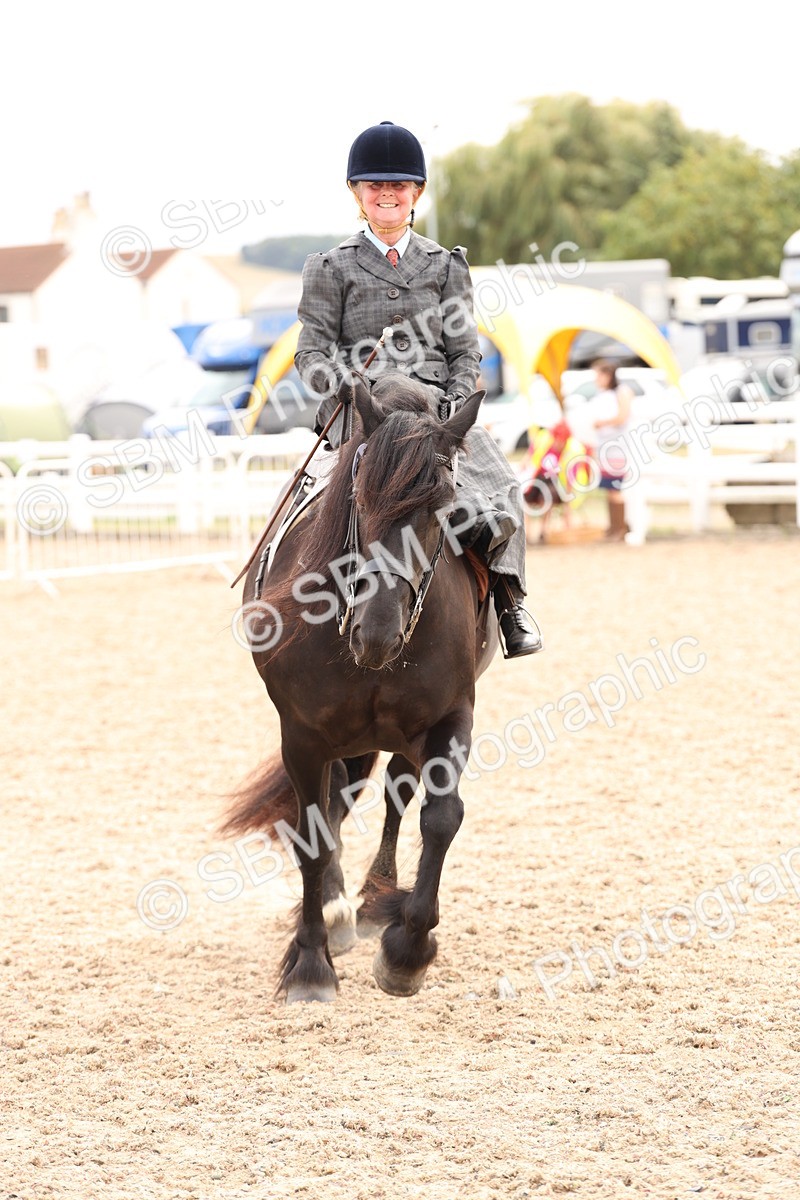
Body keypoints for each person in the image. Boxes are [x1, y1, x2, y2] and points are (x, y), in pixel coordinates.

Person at [293, 120, 543, 658]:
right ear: (357, 195)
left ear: (417, 193)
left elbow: (465, 350)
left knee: (500, 489)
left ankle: (509, 600)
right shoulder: (329, 267)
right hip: (363, 409)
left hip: (434, 411)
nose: (387, 195)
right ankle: (288, 603)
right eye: (375, 186)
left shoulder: (445, 264)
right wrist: (346, 386)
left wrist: (454, 398)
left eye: (399, 186)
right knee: (307, 505)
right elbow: (309, 353)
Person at [587, 359, 635, 541]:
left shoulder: (622, 392)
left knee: (615, 488)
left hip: (617, 447)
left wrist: (603, 423)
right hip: (606, 447)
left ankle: (620, 527)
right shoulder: (604, 395)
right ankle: (614, 526)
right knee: (609, 488)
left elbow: (623, 416)